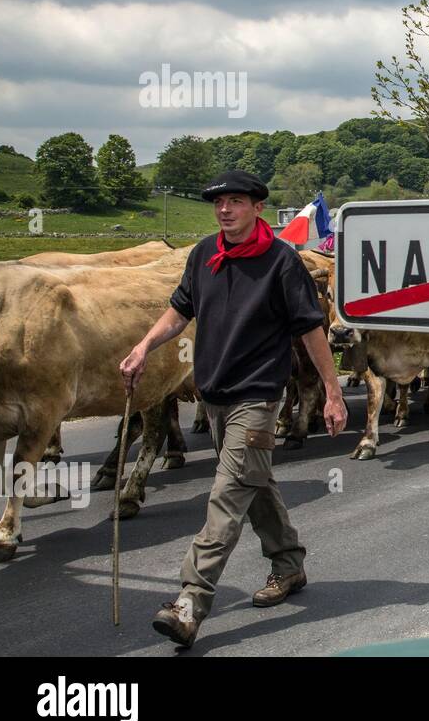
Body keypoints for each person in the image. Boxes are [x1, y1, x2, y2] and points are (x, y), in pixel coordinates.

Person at [119, 170, 348, 649]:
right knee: (254, 482)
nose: (225, 209)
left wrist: (331, 391)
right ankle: (289, 564)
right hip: (216, 395)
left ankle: (190, 600)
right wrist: (144, 345)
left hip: (258, 399)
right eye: (219, 202)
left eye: (236, 201)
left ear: (257, 208)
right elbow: (180, 310)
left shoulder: (282, 262)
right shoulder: (205, 254)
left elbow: (311, 330)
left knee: (225, 497)